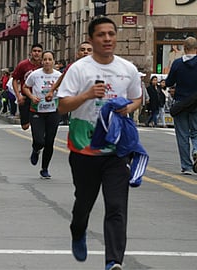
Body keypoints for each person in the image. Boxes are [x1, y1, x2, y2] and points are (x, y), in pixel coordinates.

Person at [57, 17, 142, 270]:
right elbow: (62, 106)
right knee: (84, 202)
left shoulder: (128, 69)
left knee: (116, 206)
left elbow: (137, 98)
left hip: (116, 150)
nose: (107, 39)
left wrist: (128, 108)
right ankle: (77, 230)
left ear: (116, 37)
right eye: (101, 34)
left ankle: (113, 261)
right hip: (84, 148)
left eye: (111, 34)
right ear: (92, 39)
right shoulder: (79, 69)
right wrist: (87, 95)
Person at [22, 51, 62, 179]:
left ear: (54, 62)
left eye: (50, 59)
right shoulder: (35, 75)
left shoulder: (58, 76)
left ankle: (44, 168)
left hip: (53, 111)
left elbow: (65, 90)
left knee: (49, 141)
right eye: (45, 59)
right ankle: (36, 149)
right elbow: (25, 87)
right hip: (37, 111)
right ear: (42, 61)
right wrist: (32, 97)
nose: (47, 62)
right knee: (39, 140)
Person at [165, 36, 197, 175]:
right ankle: (196, 150)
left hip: (181, 103)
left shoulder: (178, 63)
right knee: (196, 132)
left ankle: (187, 166)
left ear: (184, 48)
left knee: (182, 135)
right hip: (196, 103)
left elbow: (168, 82)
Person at [51, 41, 93, 125]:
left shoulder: (99, 67)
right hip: (77, 102)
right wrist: (51, 90)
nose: (85, 52)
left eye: (89, 50)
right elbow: (62, 77)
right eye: (82, 50)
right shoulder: (72, 67)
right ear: (77, 54)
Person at [12, 44, 43, 130]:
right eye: (34, 51)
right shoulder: (23, 65)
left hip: (39, 98)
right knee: (25, 126)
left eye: (39, 51)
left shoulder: (44, 65)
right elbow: (15, 80)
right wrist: (18, 96)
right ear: (31, 53)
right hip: (25, 97)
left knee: (38, 121)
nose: (37, 53)